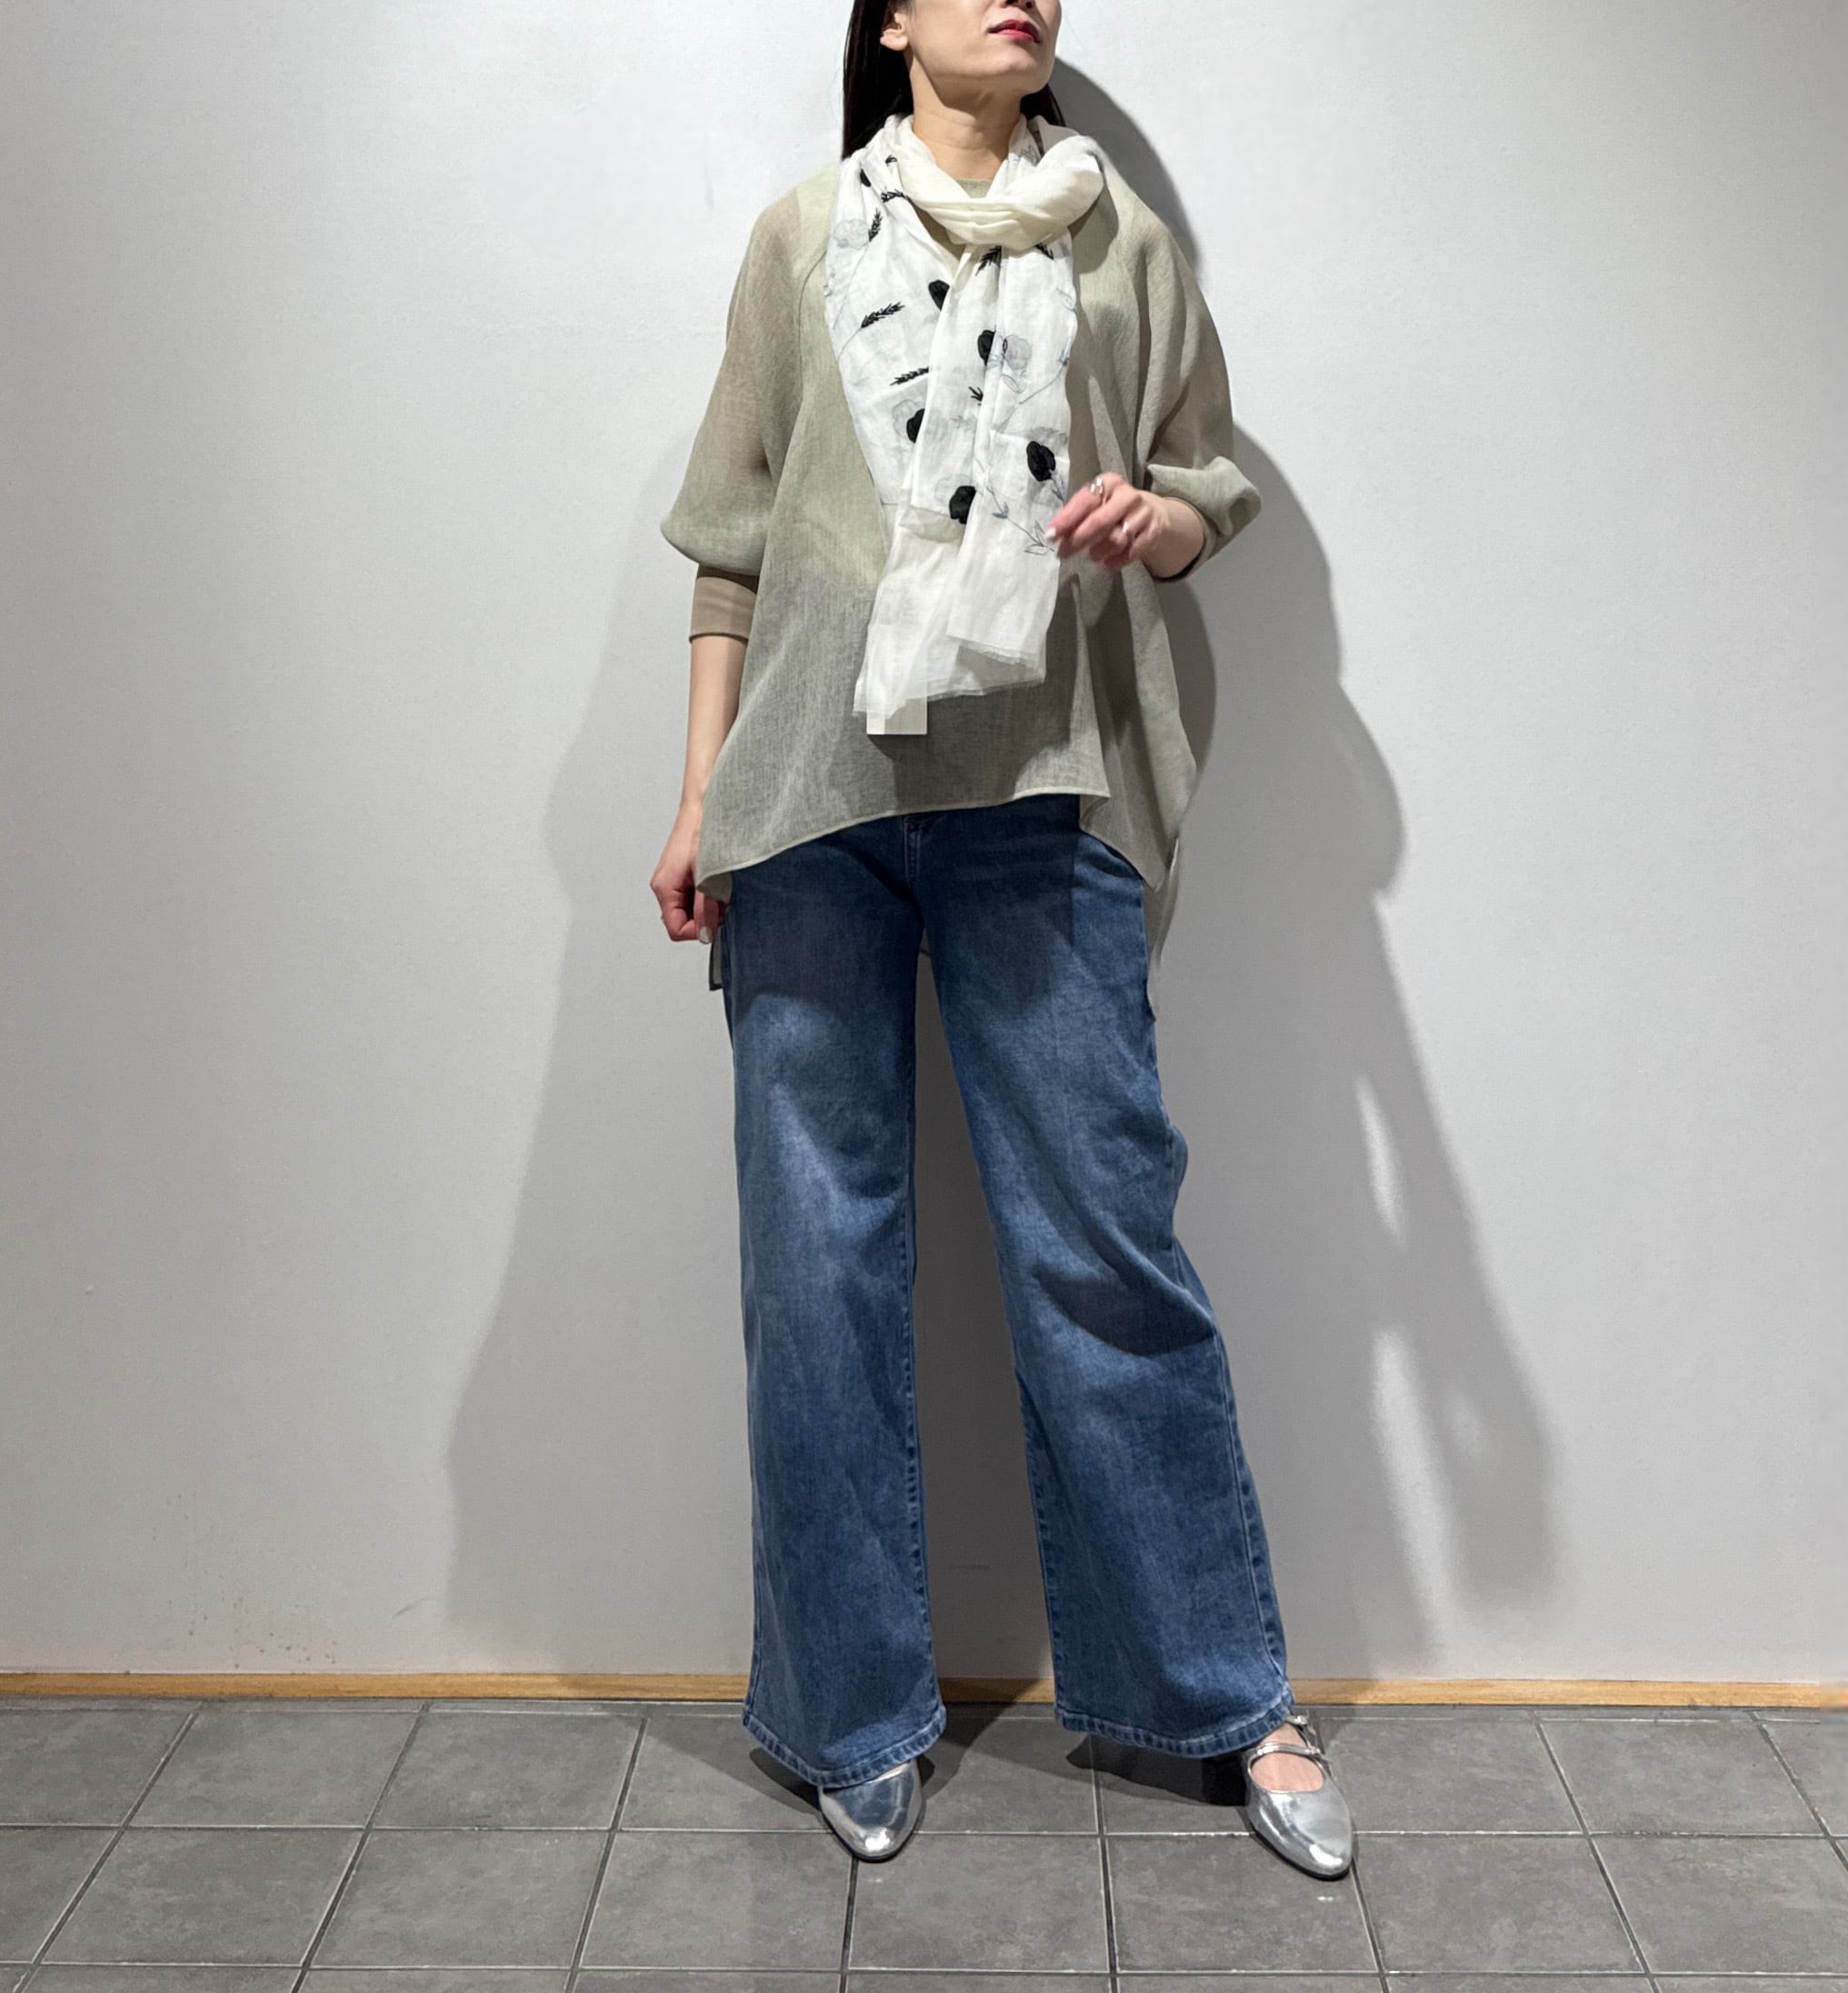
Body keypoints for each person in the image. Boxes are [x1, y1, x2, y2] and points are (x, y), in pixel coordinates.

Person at [649, 0, 1355, 1878]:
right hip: (809, 808)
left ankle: (1224, 1693)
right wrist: (700, 794)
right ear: (887, 19)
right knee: (817, 1270)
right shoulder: (804, 237)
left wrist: (1156, 526)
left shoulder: (1121, 242)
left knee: (1104, 1250)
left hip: (1046, 794)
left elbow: (1205, 483)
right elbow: (732, 542)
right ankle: (845, 1709)